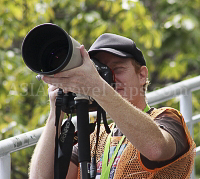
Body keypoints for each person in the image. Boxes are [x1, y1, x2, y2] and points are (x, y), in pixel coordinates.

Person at [29, 33, 196, 179]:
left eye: (118, 69)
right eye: (102, 72)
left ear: (142, 75)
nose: (109, 78)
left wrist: (97, 85)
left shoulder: (168, 120)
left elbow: (156, 148)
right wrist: (56, 110)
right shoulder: (95, 137)